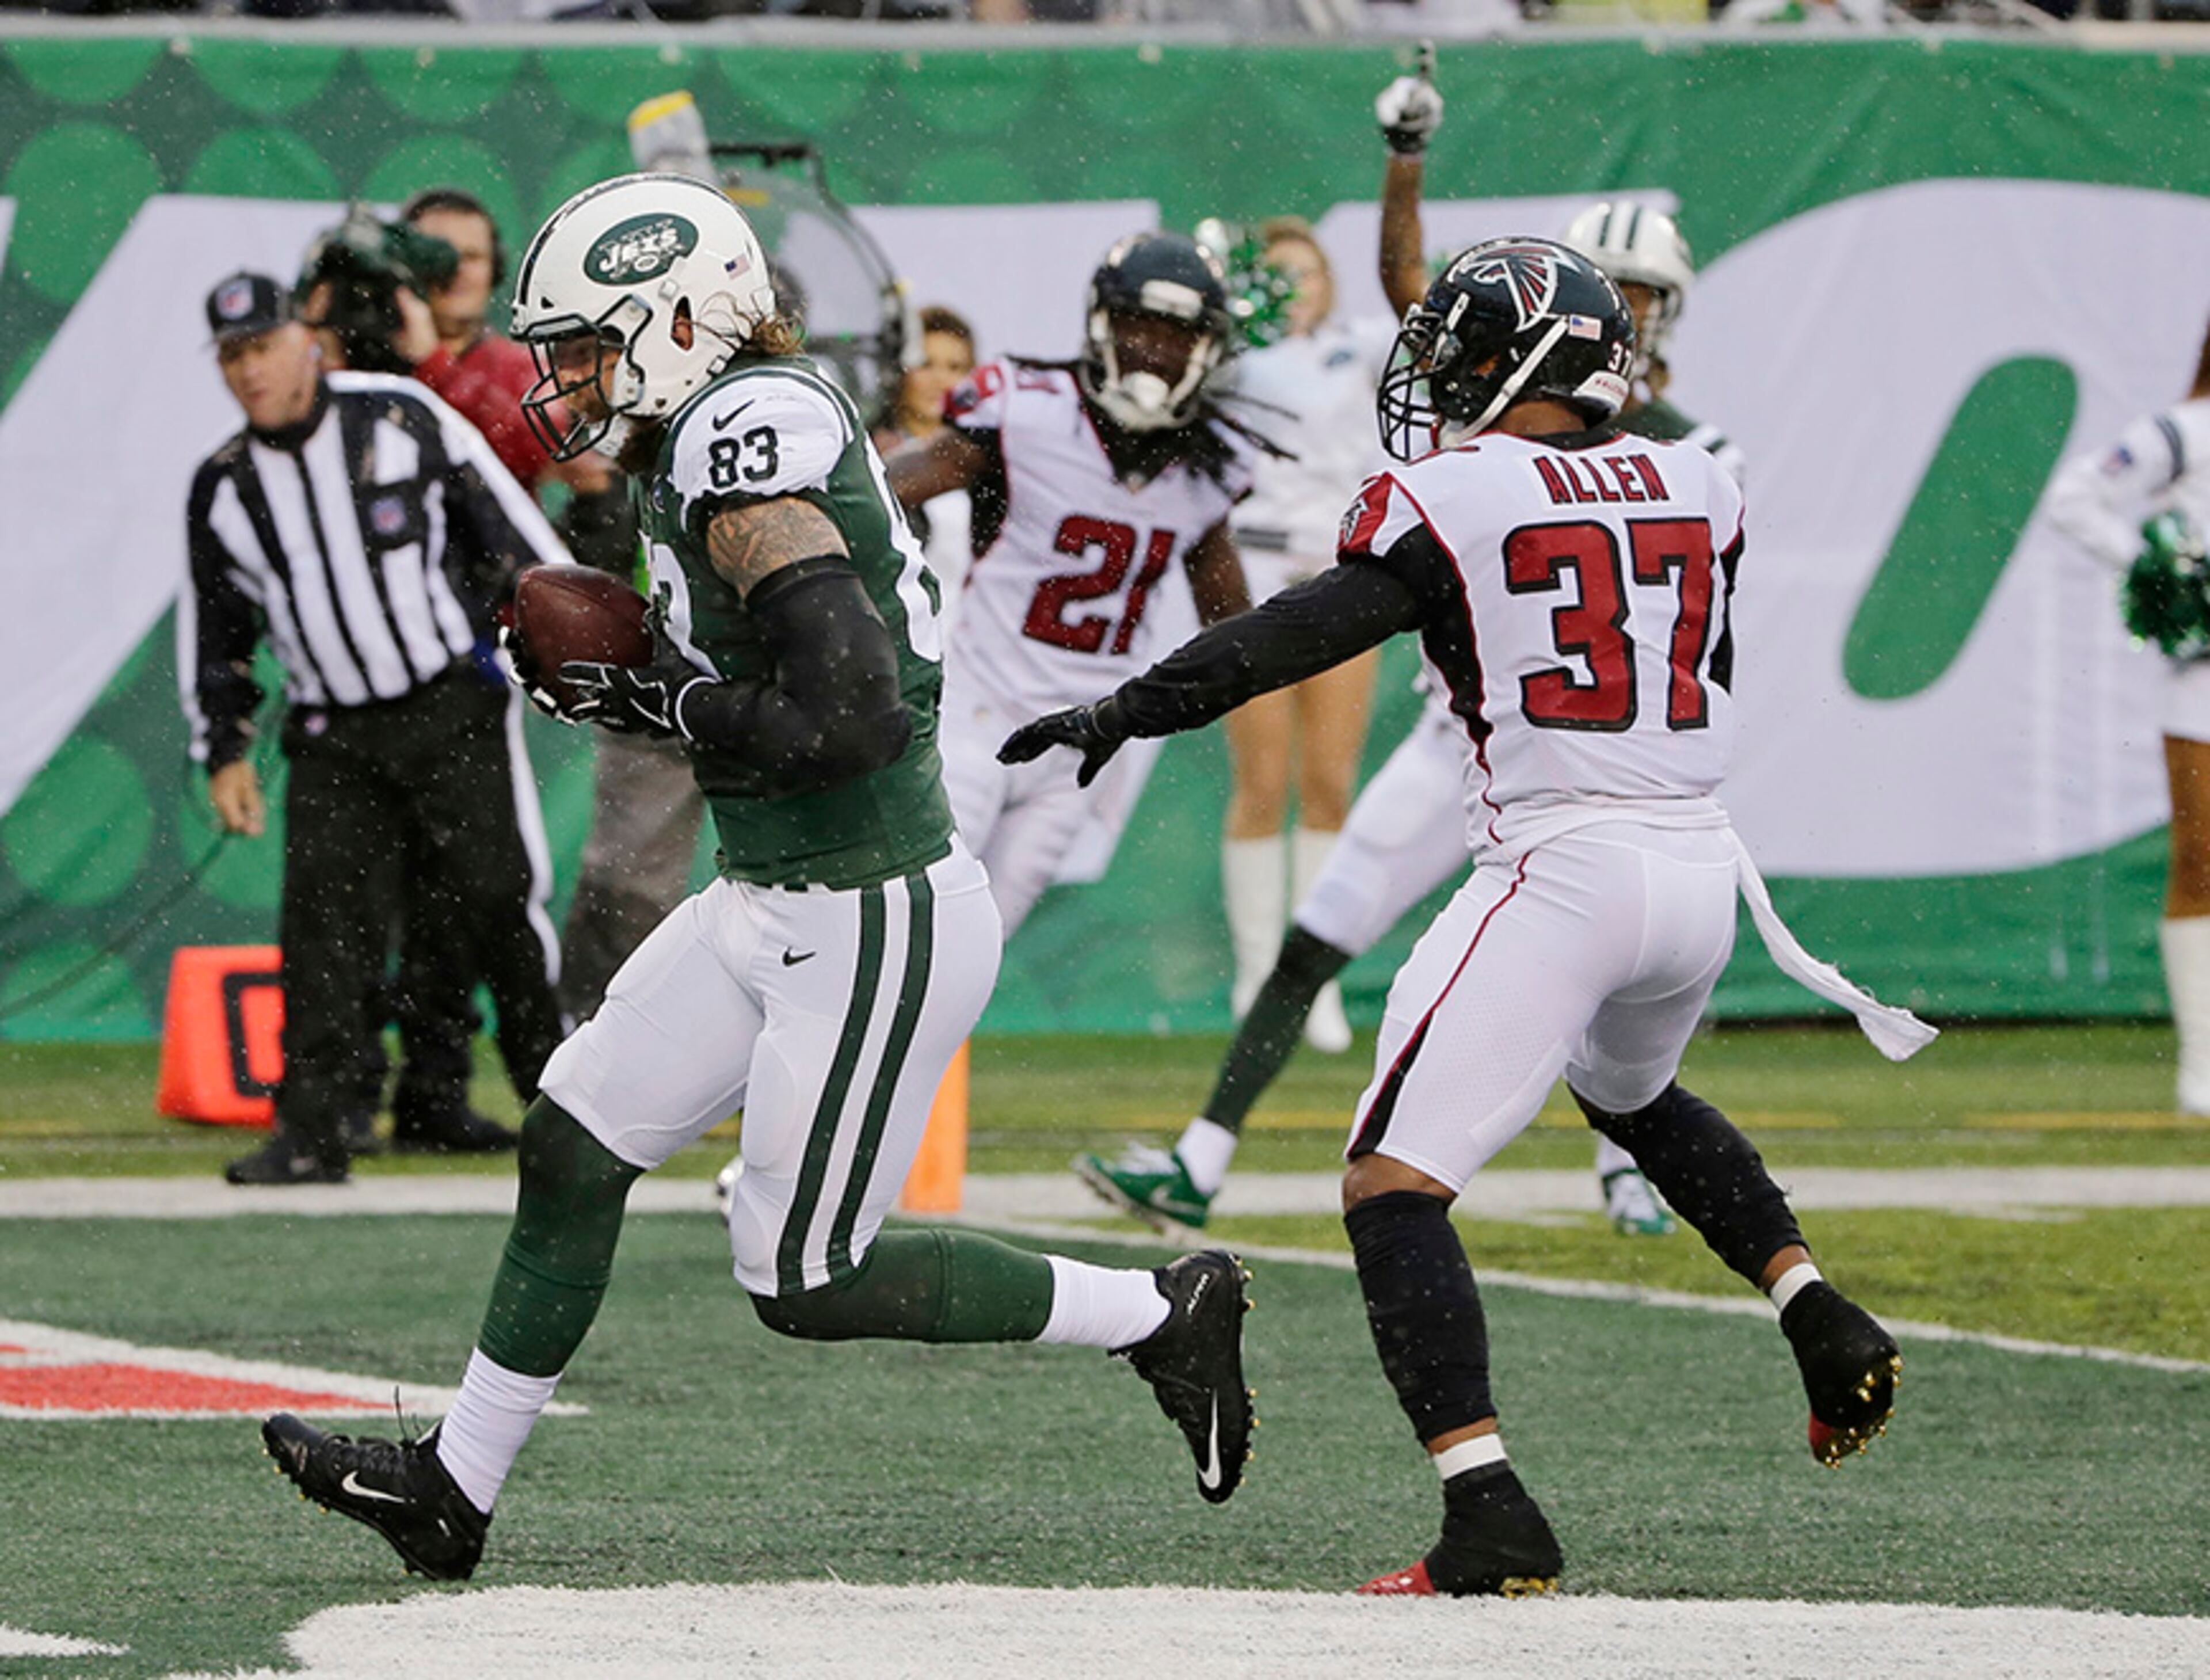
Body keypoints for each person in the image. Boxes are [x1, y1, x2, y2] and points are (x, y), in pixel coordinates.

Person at [257, 176, 1253, 1581]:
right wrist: (668, 693)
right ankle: (453, 1491)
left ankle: (1158, 1311)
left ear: (677, 323)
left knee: (807, 1280)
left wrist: (664, 699)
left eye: (590, 348)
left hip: (868, 912)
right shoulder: (711, 426)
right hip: (772, 897)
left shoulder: (743, 433)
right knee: (572, 1138)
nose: (568, 382)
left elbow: (844, 712)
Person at [1005, 234, 1933, 1595]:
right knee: (1633, 1094)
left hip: (1560, 864)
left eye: (1459, 348)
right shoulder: (1697, 477)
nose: (1435, 368)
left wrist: (1128, 705)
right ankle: (1815, 1308)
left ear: (1524, 363)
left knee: (1389, 1183)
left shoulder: (1460, 492)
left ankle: (1485, 1508)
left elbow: (1306, 631)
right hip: (1697, 865)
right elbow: (1693, 661)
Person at [1077, 69, 1745, 1239]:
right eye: (1616, 294)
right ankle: (1201, 1152)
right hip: (1464, 744)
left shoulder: (1689, 452)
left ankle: (1631, 1164)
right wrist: (1405, 167)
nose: (1630, 317)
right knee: (1314, 943)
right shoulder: (1667, 455)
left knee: (1604, 970)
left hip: (1578, 773)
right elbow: (1412, 294)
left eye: (1644, 295)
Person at [180, 271, 571, 1186]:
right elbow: (219, 631)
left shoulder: (398, 416)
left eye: (264, 346)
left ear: (306, 340)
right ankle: (314, 1131)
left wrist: (558, 629)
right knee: (323, 930)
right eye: (233, 356)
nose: (251, 371)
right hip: (333, 735)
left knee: (490, 902)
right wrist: (225, 747)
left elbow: (508, 535)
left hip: (446, 708)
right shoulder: (225, 486)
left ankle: (564, 1116)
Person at [882, 231, 1264, 940]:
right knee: (916, 931)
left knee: (978, 949)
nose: (1154, 349)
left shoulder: (1208, 467)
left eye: (1177, 334)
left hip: (1081, 746)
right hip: (978, 715)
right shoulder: (1029, 411)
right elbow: (888, 491)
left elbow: (1235, 627)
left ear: (1208, 351)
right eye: (1139, 325)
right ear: (1102, 324)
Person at [1213, 218, 1392, 1056]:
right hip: (1250, 576)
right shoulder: (1228, 363)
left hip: (1339, 579)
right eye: (1276, 277)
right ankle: (1256, 973)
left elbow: (1410, 300)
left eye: (1308, 275)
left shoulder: (1362, 349)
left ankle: (1307, 979)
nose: (1295, 291)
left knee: (1328, 780)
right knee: (1263, 777)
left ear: (1330, 285)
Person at [2045, 318, 2210, 1113]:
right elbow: (2076, 495)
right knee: (2203, 861)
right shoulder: (2185, 430)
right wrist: (2150, 562)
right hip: (2202, 682)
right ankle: (2203, 1073)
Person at [872, 304, 978, 634]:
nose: (941, 381)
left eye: (955, 367)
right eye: (925, 364)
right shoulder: (865, 452)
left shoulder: (986, 461)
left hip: (970, 654)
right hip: (897, 644)